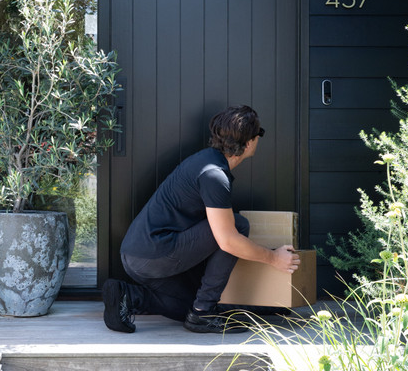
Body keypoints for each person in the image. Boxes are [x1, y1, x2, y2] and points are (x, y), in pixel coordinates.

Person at [102, 105, 300, 335]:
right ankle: (204, 314)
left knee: (186, 307)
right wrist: (274, 258)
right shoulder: (214, 175)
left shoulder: (206, 161)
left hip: (138, 255)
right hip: (154, 254)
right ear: (249, 143)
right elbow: (227, 241)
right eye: (260, 134)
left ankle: (128, 295)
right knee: (236, 226)